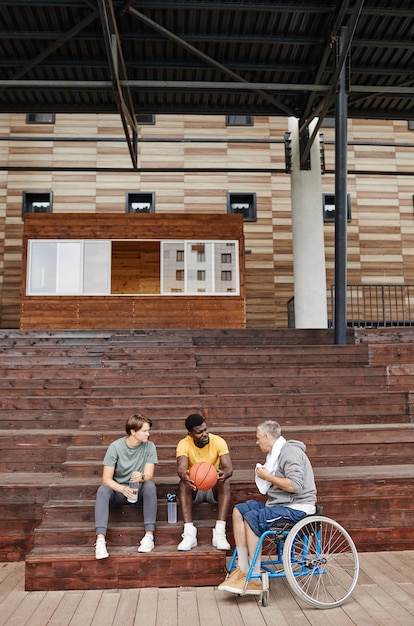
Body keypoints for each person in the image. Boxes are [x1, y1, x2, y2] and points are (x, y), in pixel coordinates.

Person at [218, 420, 316, 594]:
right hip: (281, 504)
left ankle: (254, 578)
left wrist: (268, 477)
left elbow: (295, 485)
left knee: (253, 517)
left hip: (298, 507)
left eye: (258, 438)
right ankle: (243, 568)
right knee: (239, 510)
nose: (257, 442)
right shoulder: (274, 455)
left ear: (266, 436)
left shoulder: (289, 452)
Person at [94, 412, 158, 559]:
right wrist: (123, 489)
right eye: (145, 431)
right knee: (103, 490)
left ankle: (149, 537)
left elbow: (149, 475)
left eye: (148, 430)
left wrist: (141, 477)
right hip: (119, 491)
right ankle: (100, 541)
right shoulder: (115, 447)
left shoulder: (149, 447)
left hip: (138, 490)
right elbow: (106, 479)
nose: (148, 434)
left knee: (150, 486)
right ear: (133, 431)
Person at [176, 413, 233, 551]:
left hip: (213, 487)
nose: (205, 434)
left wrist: (224, 473)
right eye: (199, 432)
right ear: (190, 434)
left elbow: (229, 468)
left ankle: (219, 532)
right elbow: (181, 468)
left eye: (205, 430)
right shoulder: (184, 444)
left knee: (225, 481)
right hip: (194, 487)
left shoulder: (218, 441)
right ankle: (189, 533)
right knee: (182, 483)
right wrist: (185, 475)